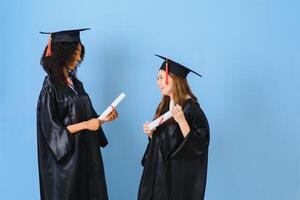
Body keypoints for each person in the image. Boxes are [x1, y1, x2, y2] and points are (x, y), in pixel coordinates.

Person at [37, 28, 117, 200]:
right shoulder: (50, 88)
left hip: (86, 155)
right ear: (61, 54)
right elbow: (52, 131)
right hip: (67, 164)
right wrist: (87, 125)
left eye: (80, 54)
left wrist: (103, 119)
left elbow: (88, 118)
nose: (79, 58)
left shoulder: (76, 84)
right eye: (75, 53)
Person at [138, 55, 210, 200]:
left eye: (160, 78)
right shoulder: (165, 107)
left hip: (175, 181)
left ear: (174, 78)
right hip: (157, 176)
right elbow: (165, 141)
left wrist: (182, 121)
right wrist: (152, 133)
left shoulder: (192, 109)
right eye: (157, 78)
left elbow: (200, 145)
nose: (158, 83)